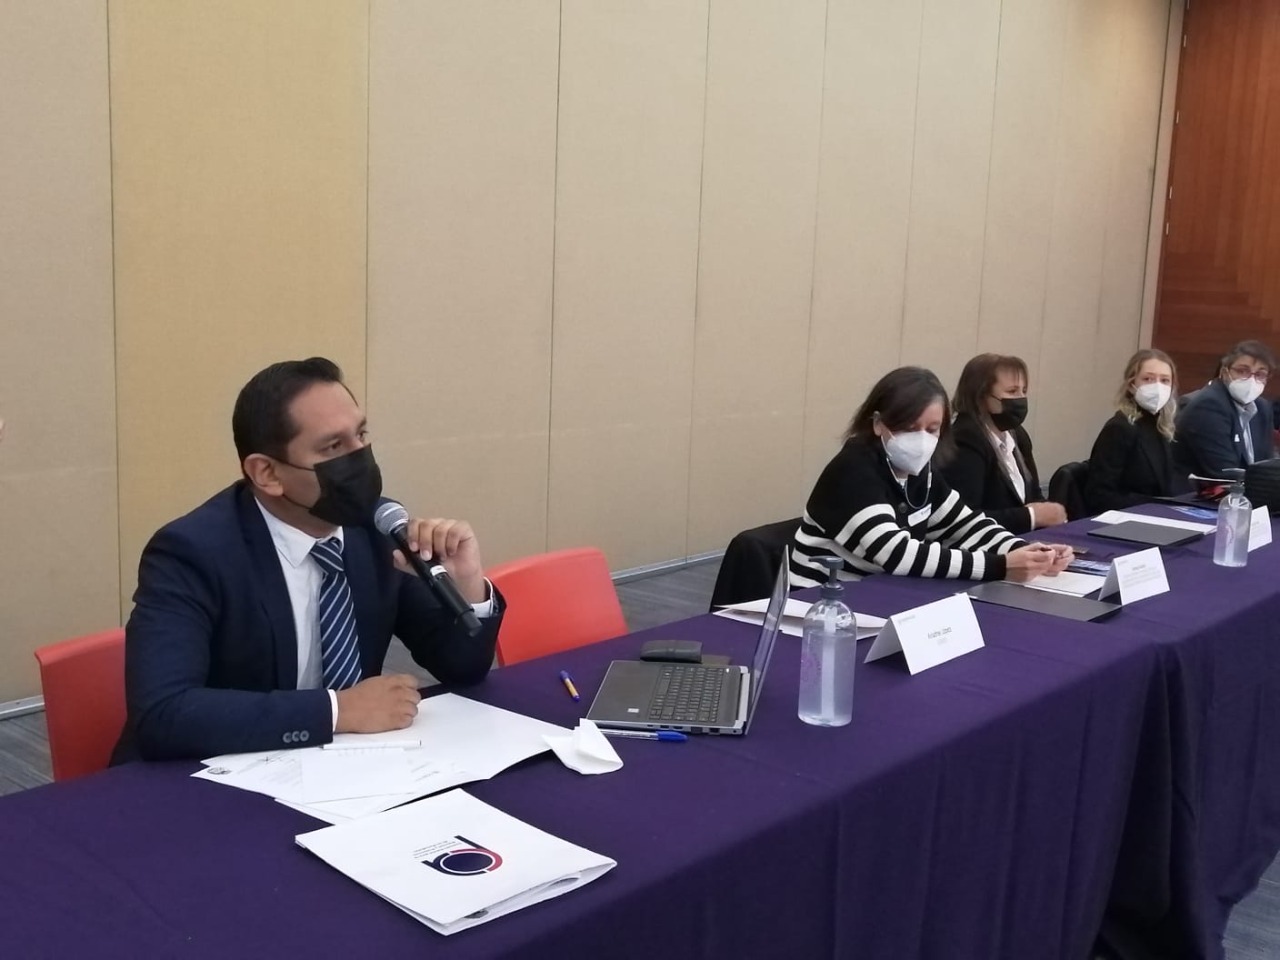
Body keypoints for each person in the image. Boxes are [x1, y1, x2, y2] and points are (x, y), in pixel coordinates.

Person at [114, 358, 504, 762]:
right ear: (267, 473)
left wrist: (467, 584)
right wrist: (336, 711)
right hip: (213, 774)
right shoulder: (192, 552)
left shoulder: (375, 528)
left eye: (361, 435)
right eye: (333, 447)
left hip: (348, 768)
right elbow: (164, 713)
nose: (360, 458)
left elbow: (462, 668)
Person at [791, 366, 1071, 587]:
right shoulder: (854, 469)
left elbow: (966, 525)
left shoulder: (920, 472)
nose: (922, 440)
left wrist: (1030, 553)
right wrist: (1000, 565)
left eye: (932, 429)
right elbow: (895, 553)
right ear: (878, 423)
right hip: (823, 604)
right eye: (910, 428)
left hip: (883, 593)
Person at [941, 353, 1066, 535]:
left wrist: (1051, 512)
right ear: (982, 396)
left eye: (1024, 391)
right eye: (1012, 392)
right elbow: (964, 518)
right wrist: (1031, 516)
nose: (1021, 399)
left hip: (1022, 540)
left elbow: (1034, 495)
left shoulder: (1017, 435)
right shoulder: (965, 438)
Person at [1085, 349, 1186, 512]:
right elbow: (1099, 495)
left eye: (1165, 380)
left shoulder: (1162, 426)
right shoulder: (1120, 428)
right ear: (1131, 385)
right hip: (1128, 518)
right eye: (1148, 379)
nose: (1157, 386)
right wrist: (1154, 507)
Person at [1175, 339, 1276, 477]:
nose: (1251, 380)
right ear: (1224, 372)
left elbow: (1268, 464)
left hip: (1250, 488)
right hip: (1204, 489)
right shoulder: (1208, 406)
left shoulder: (1262, 408)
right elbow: (1225, 472)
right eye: (1242, 371)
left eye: (1260, 374)